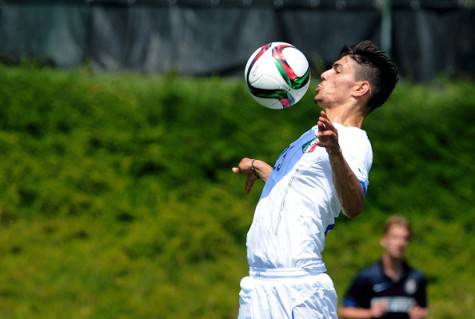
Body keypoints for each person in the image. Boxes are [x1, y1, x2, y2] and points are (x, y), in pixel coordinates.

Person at [232, 40, 399, 318]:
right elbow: (301, 193)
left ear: (360, 88)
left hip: (297, 289)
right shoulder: (312, 134)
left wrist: (335, 151)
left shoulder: (352, 141)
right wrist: (262, 169)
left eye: (337, 69)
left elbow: (354, 205)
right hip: (258, 286)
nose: (324, 74)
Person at [339, 216, 428, 319]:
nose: (400, 243)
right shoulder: (367, 276)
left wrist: (419, 315)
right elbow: (344, 311)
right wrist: (369, 313)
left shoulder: (417, 277)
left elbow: (423, 309)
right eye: (395, 237)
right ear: (384, 240)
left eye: (405, 238)